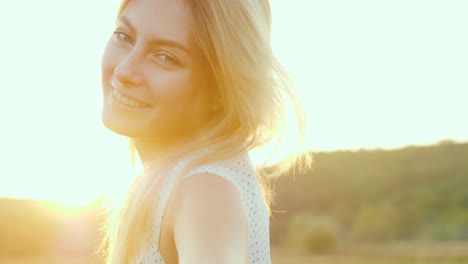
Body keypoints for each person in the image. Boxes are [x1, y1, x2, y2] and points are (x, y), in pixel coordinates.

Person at [97, 0, 311, 263]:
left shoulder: (204, 190)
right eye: (124, 36)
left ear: (220, 90)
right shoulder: (177, 182)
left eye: (166, 57)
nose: (124, 70)